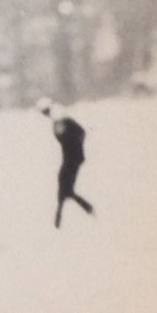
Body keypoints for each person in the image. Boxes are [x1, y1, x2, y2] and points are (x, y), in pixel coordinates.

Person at [38, 97, 95, 228]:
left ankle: (58, 221)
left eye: (44, 112)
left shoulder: (61, 121)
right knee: (65, 189)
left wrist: (76, 149)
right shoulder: (60, 121)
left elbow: (79, 133)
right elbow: (80, 133)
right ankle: (83, 209)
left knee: (65, 188)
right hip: (71, 158)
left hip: (72, 159)